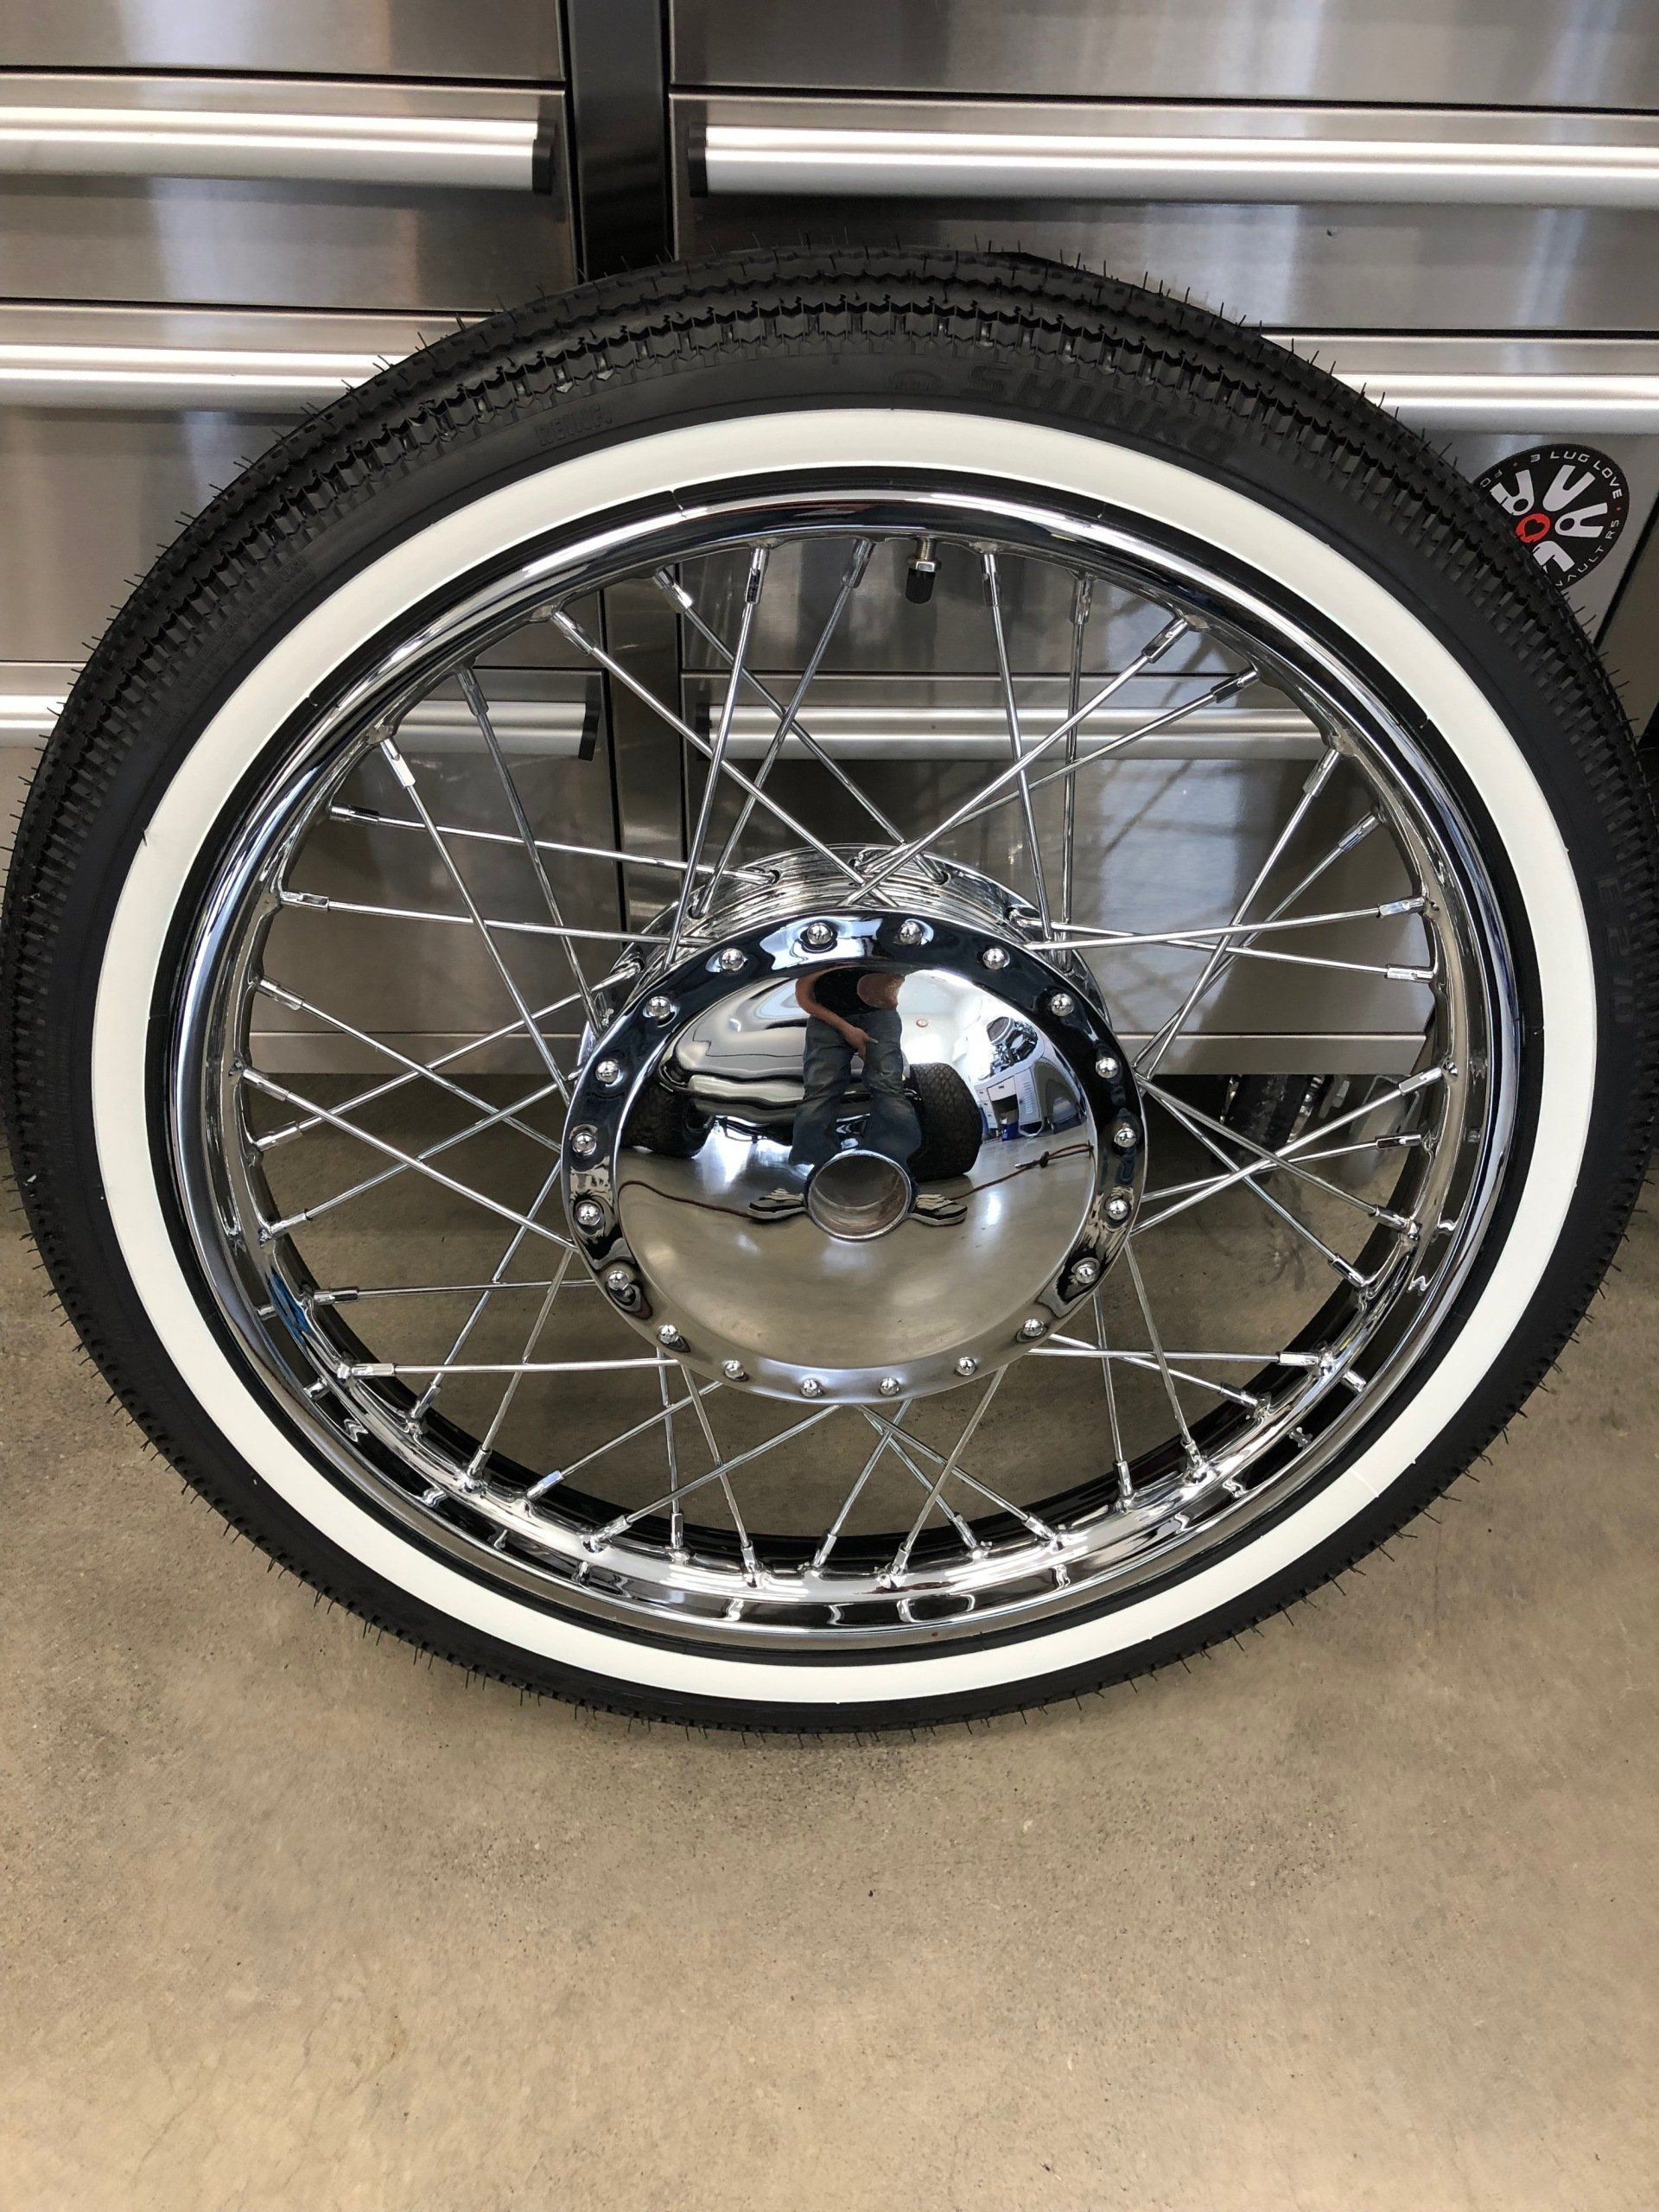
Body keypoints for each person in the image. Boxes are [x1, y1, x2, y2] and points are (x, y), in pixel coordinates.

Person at [789, 963, 921, 1171]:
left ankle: (892, 1167)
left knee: (887, 1087)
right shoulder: (827, 947)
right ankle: (818, 1171)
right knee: (821, 1091)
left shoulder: (881, 945)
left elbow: (897, 978)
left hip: (878, 1014)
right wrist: (847, 1030)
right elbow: (803, 995)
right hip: (828, 1016)